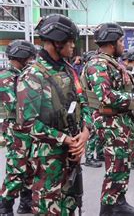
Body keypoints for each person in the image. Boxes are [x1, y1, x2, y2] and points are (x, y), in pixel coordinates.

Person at [16, 14, 90, 215]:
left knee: (70, 203)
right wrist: (65, 139)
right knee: (49, 208)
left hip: (72, 151)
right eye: (70, 41)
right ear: (57, 41)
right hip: (48, 158)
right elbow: (27, 124)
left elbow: (83, 101)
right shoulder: (33, 75)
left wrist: (85, 132)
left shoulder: (68, 70)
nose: (73, 46)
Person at [83, 23, 134, 216]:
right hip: (109, 121)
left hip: (119, 120)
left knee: (122, 163)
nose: (123, 45)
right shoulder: (97, 65)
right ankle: (108, 209)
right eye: (120, 41)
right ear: (111, 43)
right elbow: (106, 97)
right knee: (115, 165)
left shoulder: (111, 63)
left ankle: (119, 201)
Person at [0, 40, 37, 215]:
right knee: (16, 168)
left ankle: (26, 202)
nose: (31, 60)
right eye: (29, 57)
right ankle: (4, 206)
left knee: (29, 166)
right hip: (15, 129)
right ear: (21, 55)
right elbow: (14, 105)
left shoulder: (21, 75)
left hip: (27, 128)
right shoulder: (6, 76)